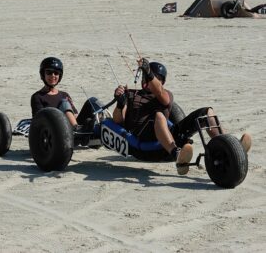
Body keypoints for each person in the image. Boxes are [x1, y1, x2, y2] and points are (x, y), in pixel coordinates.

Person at [113, 58, 252, 175]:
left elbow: (160, 93)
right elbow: (118, 121)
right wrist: (120, 104)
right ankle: (178, 157)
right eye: (152, 77)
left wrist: (149, 72)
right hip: (142, 139)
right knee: (159, 116)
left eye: (158, 79)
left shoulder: (165, 94)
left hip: (165, 136)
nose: (154, 81)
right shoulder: (131, 94)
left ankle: (230, 148)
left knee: (207, 112)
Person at [31, 57, 102, 134]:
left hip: (74, 128)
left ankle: (100, 128)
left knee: (92, 101)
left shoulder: (64, 94)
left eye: (56, 73)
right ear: (43, 74)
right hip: (56, 131)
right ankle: (76, 128)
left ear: (60, 76)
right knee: (64, 103)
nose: (53, 75)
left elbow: (75, 115)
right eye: (49, 72)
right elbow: (39, 120)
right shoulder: (37, 96)